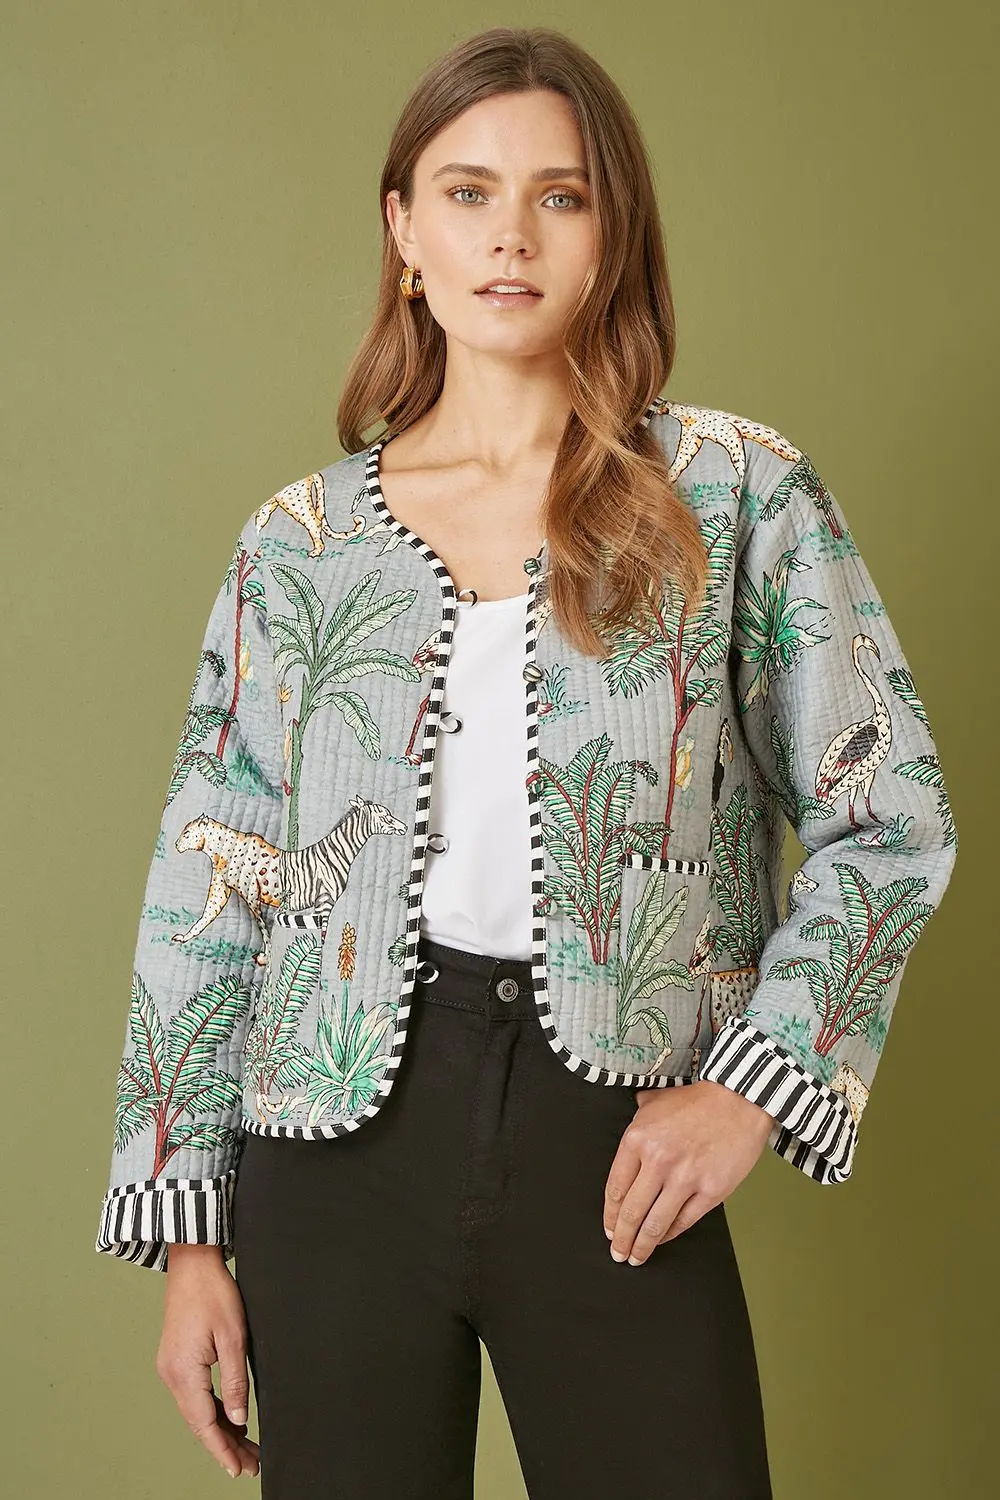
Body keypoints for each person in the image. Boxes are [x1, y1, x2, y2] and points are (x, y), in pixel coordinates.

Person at [95, 26, 958, 1499]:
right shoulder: (299, 548)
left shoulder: (736, 496)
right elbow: (209, 888)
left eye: (561, 197)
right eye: (468, 193)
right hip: (332, 1144)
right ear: (403, 230)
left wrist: (752, 1090)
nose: (512, 236)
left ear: (613, 233)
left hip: (613, 1133)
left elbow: (891, 820)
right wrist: (190, 1246)